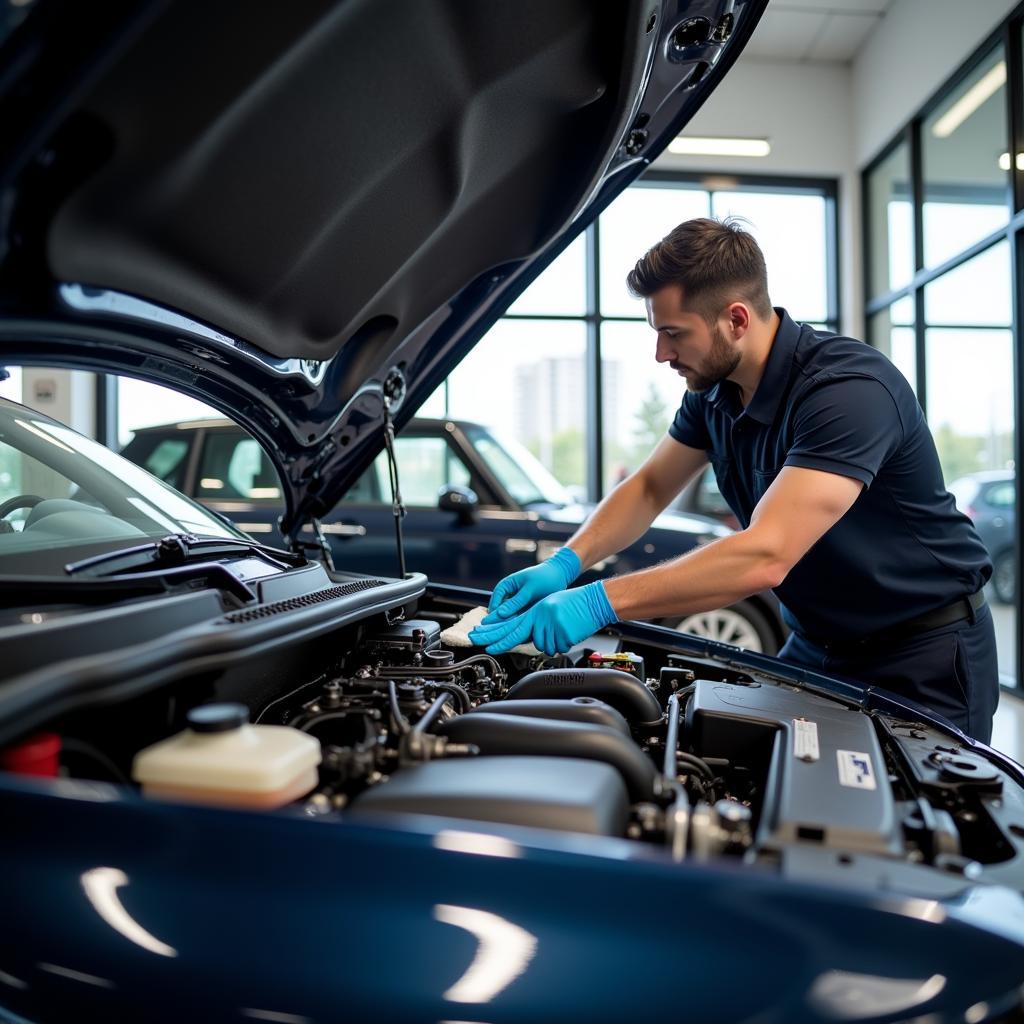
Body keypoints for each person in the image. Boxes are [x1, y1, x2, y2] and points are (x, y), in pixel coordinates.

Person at [469, 217, 1000, 743]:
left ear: (736, 319)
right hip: (817, 643)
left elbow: (766, 554)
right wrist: (567, 562)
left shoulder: (848, 391)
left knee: (918, 824)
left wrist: (597, 602)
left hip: (921, 653)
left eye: (673, 333)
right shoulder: (712, 394)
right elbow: (650, 487)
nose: (661, 354)